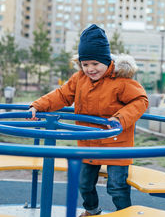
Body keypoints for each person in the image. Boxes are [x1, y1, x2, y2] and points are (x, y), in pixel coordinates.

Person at [29, 24, 148, 216]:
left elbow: (140, 100)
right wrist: (38, 105)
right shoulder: (79, 79)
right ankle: (92, 211)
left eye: (95, 64)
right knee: (84, 184)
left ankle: (125, 213)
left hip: (117, 143)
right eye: (85, 64)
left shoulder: (121, 81)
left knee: (116, 187)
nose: (90, 69)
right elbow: (61, 95)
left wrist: (119, 119)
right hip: (88, 143)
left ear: (106, 60)